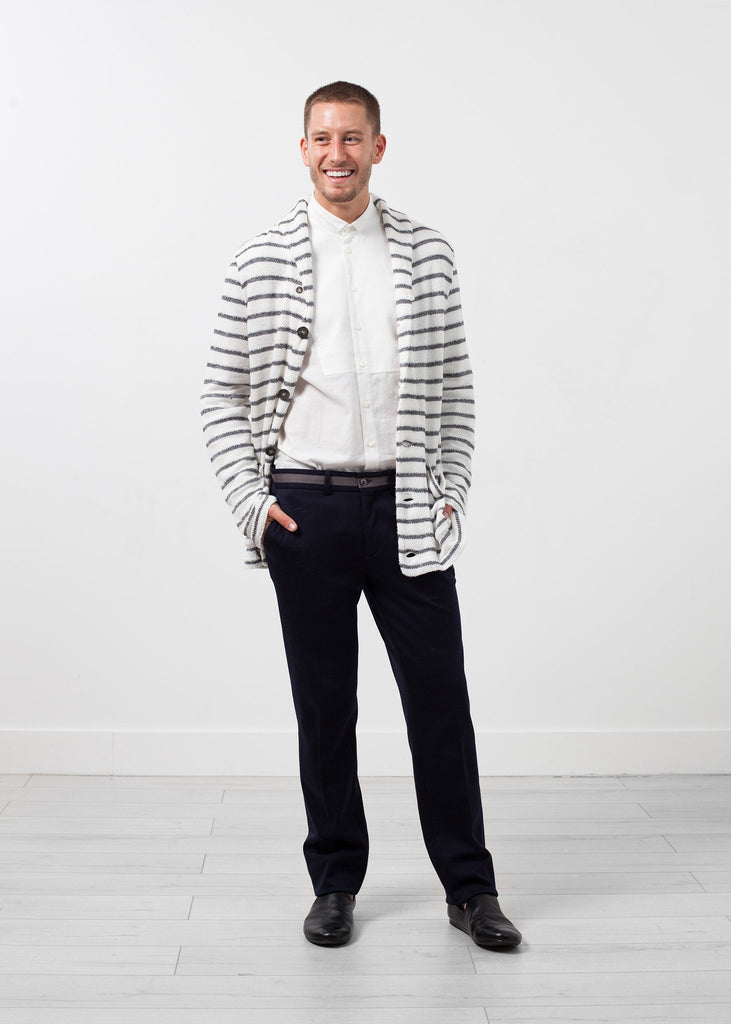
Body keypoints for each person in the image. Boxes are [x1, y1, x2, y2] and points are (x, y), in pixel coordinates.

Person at [201, 81, 521, 951]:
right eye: (321, 138)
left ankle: (470, 889)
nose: (335, 154)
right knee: (324, 707)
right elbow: (220, 394)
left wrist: (450, 490)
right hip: (305, 510)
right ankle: (334, 883)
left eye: (351, 138)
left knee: (440, 702)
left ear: (378, 147)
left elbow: (455, 388)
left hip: (406, 505)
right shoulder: (260, 258)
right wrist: (253, 504)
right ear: (302, 148)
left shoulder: (426, 253)